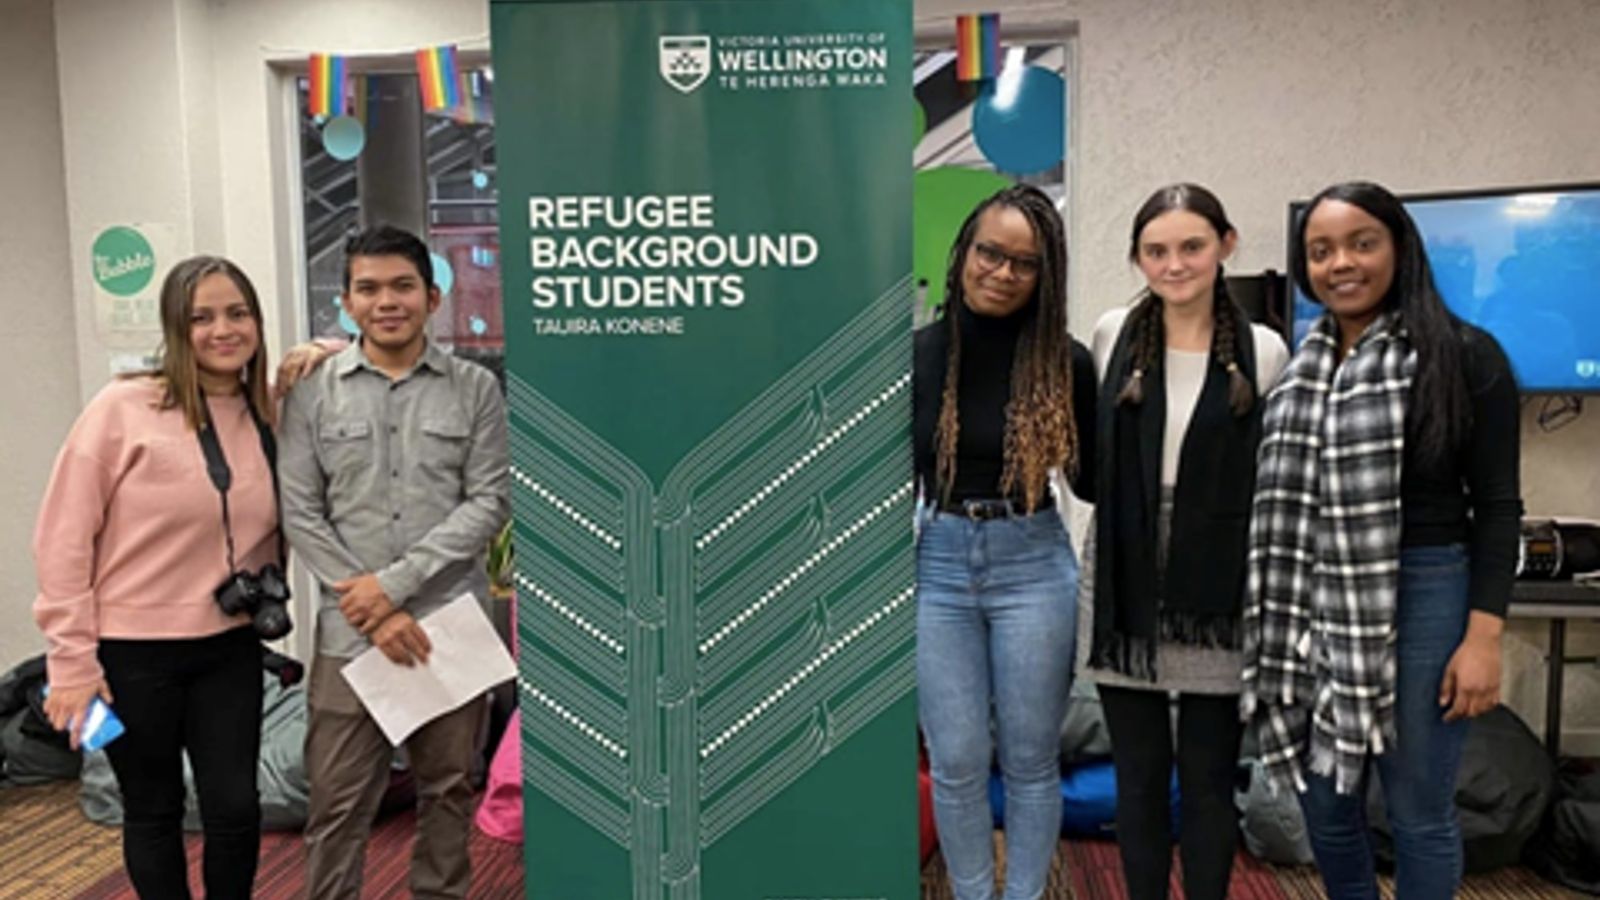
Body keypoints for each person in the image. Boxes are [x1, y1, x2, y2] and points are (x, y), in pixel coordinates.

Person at [1243, 181, 1522, 900]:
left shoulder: (1465, 355)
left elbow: (1497, 508)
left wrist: (1483, 638)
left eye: (1362, 243)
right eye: (1321, 250)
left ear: (1400, 248)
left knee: (1417, 808)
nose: (1342, 263)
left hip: (1427, 587)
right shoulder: (1301, 370)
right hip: (1311, 594)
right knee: (1326, 802)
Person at [33, 256, 281, 899]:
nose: (223, 329)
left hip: (227, 649)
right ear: (176, 328)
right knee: (151, 809)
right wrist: (71, 663)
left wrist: (326, 351)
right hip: (125, 656)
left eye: (238, 312)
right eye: (201, 317)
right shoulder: (122, 406)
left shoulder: (267, 413)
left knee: (235, 809)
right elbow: (61, 543)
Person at [278, 224, 510, 900]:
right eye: (369, 288)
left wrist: (394, 587)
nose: (388, 301)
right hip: (350, 637)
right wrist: (375, 612)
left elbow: (487, 503)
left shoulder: (475, 390)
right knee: (338, 804)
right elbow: (301, 514)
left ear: (432, 298)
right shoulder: (312, 392)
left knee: (447, 792)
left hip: (449, 627)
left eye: (403, 286)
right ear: (347, 303)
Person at [1080, 183, 1288, 900]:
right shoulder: (1112, 333)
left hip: (1221, 576)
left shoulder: (1264, 349)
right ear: (1137, 258)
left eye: (1191, 246)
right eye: (1156, 251)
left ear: (1226, 245)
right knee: (1136, 778)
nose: (1174, 265)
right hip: (1124, 567)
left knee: (1206, 778)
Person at [913, 184, 1096, 900]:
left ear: (1044, 276)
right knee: (957, 758)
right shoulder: (920, 356)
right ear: (965, 251)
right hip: (940, 560)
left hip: (1033, 561)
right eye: (991, 252)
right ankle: (972, 894)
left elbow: (1092, 484)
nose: (1003, 272)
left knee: (1029, 759)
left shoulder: (1065, 362)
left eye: (1025, 263)